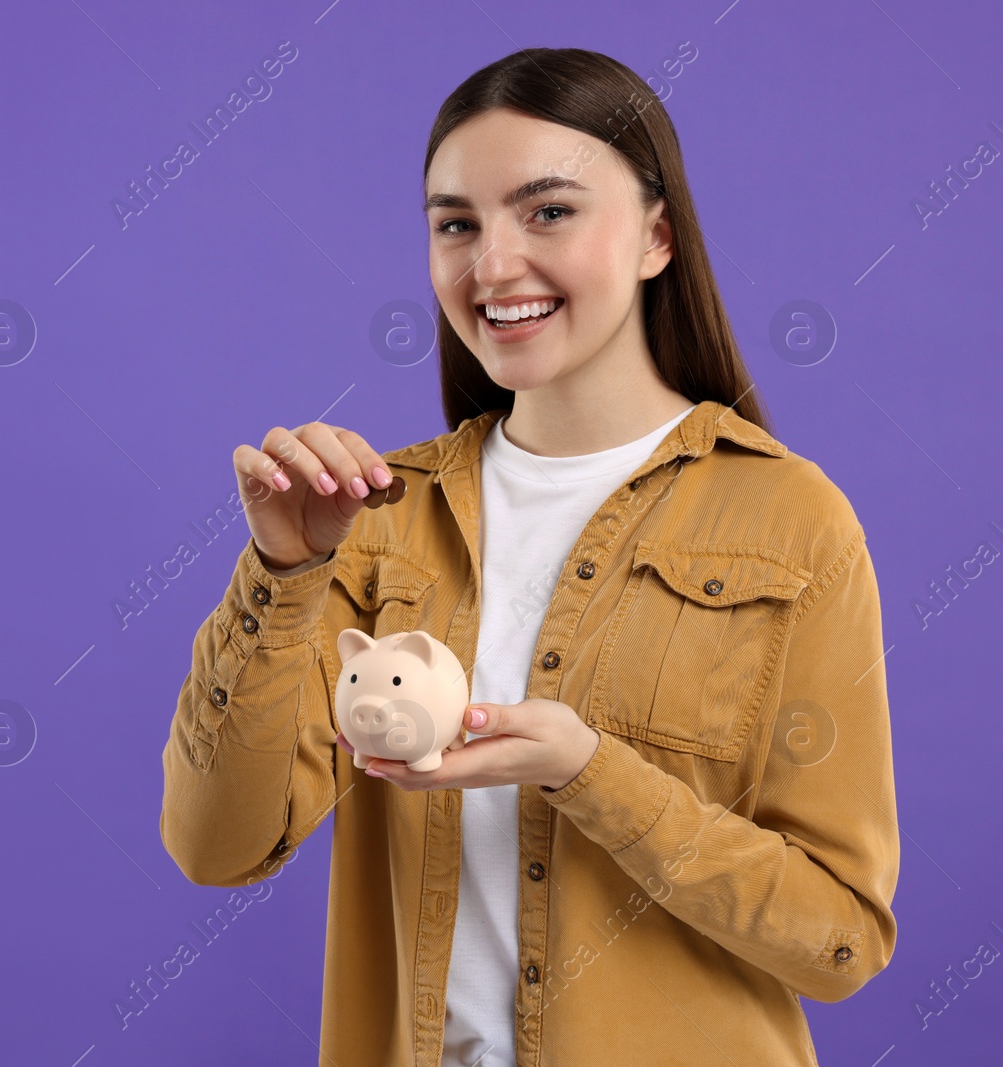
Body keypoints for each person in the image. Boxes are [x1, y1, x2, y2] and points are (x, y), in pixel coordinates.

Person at [158, 46, 898, 1067]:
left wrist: (589, 773)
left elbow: (839, 936)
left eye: (546, 211)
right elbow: (216, 845)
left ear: (654, 235)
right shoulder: (376, 515)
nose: (491, 264)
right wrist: (284, 574)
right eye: (456, 223)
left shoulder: (790, 519)